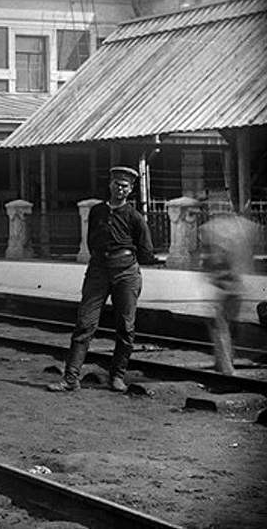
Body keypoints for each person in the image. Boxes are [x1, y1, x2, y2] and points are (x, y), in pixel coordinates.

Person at [48, 165, 163, 393]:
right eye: (116, 184)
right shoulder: (97, 212)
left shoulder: (135, 217)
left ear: (130, 190)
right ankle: (71, 379)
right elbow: (92, 242)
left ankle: (117, 377)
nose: (120, 189)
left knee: (126, 328)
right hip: (98, 271)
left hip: (126, 274)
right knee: (84, 324)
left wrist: (126, 261)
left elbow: (146, 250)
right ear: (109, 185)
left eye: (125, 186)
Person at [197, 206, 257, 375]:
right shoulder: (240, 228)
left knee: (219, 325)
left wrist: (208, 275)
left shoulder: (209, 230)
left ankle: (226, 367)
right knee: (230, 325)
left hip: (221, 284)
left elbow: (210, 261)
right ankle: (224, 361)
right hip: (237, 284)